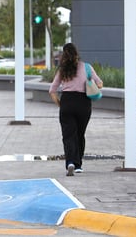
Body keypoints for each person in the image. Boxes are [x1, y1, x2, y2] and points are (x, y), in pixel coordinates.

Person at [49, 43, 103, 176]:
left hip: (67, 102)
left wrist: (60, 104)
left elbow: (52, 90)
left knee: (68, 135)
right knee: (79, 134)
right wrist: (89, 82)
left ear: (64, 55)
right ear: (76, 53)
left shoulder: (62, 70)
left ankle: (70, 163)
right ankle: (78, 165)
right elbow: (100, 84)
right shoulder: (87, 67)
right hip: (84, 103)